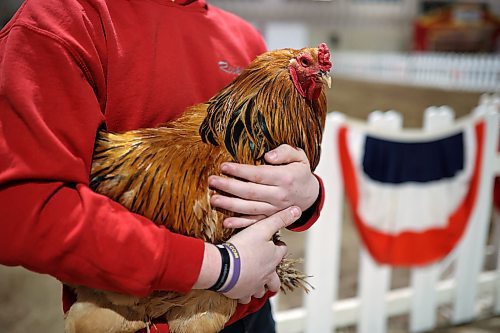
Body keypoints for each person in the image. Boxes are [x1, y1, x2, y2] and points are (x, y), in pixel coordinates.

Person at [0, 0, 324, 332]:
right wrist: (222, 268)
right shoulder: (64, 17)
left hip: (251, 314)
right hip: (141, 316)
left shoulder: (244, 35)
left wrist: (308, 194)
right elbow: (23, 209)